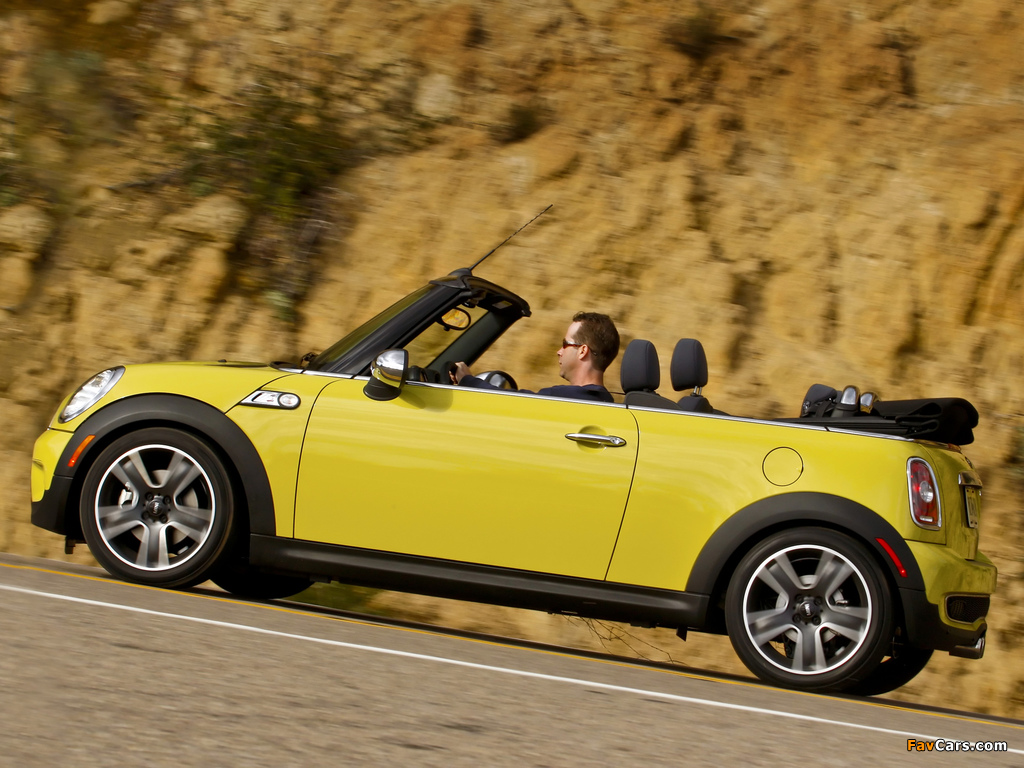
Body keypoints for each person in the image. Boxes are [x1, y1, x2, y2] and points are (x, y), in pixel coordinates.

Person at [451, 311, 620, 403]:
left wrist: (467, 380)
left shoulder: (565, 398)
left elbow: (507, 402)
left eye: (565, 344)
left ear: (582, 351)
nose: (559, 351)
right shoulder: (605, 401)